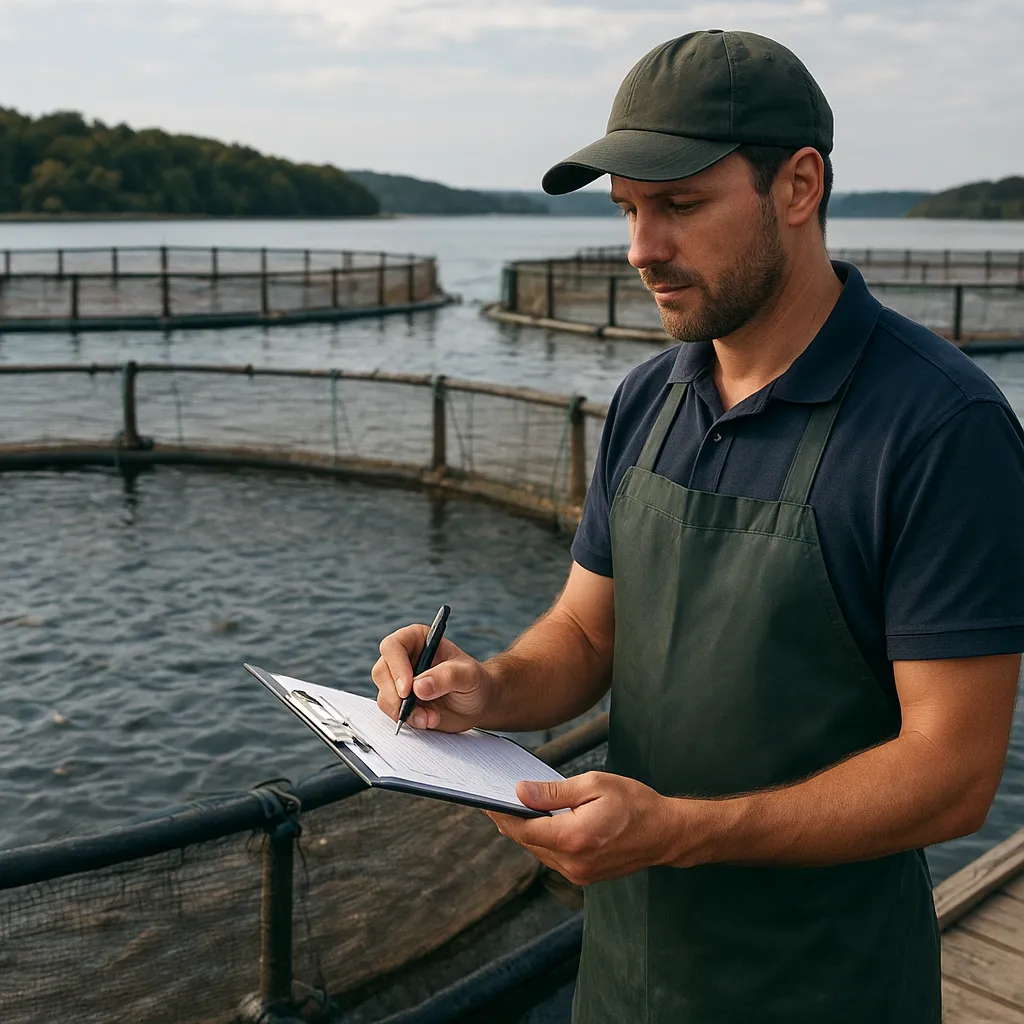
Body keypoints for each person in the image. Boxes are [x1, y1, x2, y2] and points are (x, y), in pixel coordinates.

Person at [372, 28, 1024, 1023]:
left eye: (678, 204)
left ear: (797, 186)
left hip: (824, 986)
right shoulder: (649, 398)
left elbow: (951, 776)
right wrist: (489, 685)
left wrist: (679, 829)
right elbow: (590, 632)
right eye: (628, 208)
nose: (641, 249)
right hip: (629, 973)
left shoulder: (942, 428)